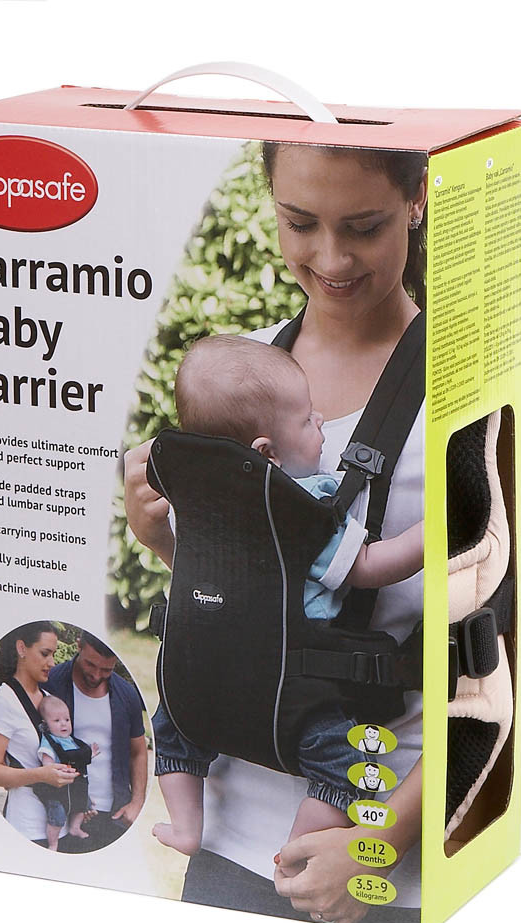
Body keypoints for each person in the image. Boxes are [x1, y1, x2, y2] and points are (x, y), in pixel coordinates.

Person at [124, 140, 428, 923]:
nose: (330, 258)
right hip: (227, 841)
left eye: (363, 226)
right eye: (300, 222)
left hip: (374, 850)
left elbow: (506, 668)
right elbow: (242, 590)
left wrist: (381, 844)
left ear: (418, 199)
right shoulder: (236, 375)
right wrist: (163, 542)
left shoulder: (466, 395)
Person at [150, 334, 423, 856]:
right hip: (291, 690)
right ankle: (298, 847)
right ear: (267, 453)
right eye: (307, 420)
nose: (321, 422)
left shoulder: (195, 501)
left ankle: (185, 825)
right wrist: (430, 535)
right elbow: (366, 567)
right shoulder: (300, 506)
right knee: (346, 768)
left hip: (200, 682)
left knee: (173, 728)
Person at [43, 632, 148, 853]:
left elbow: (138, 752)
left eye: (106, 669)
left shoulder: (127, 694)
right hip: (62, 812)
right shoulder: (51, 683)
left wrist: (137, 802)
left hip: (114, 815)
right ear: (79, 646)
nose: (96, 675)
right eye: (90, 664)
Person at [0, 622, 79, 847]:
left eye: (53, 654)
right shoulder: (4, 700)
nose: (52, 663)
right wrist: (41, 775)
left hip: (61, 826)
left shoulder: (48, 698)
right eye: (45, 653)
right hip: (26, 828)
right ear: (22, 648)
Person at [36, 694, 99, 850]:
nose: (63, 724)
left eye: (67, 719)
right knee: (56, 817)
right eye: (57, 721)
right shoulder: (50, 742)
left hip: (77, 786)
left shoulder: (71, 740)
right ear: (46, 725)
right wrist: (50, 767)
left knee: (83, 805)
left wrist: (90, 754)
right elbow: (47, 761)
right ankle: (53, 843)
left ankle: (75, 828)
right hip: (59, 789)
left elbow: (80, 757)